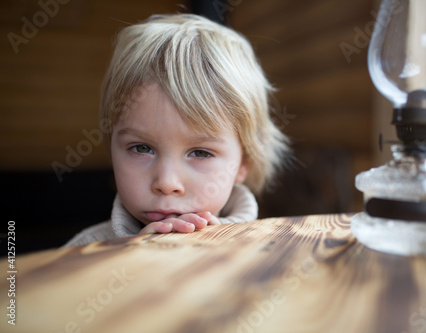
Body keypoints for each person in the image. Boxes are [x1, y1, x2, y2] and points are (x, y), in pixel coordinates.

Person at [64, 14, 289, 247]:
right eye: (142, 148)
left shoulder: (273, 250)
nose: (167, 182)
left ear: (245, 162)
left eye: (200, 153)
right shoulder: (79, 255)